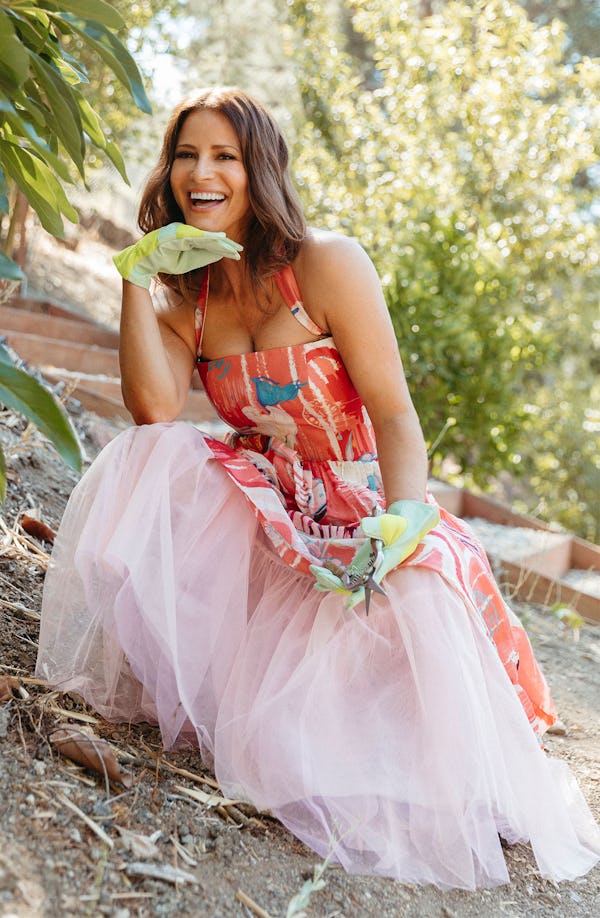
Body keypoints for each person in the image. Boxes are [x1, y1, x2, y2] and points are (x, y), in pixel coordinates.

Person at [36, 87, 600, 889]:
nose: (203, 172)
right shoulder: (183, 299)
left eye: (224, 155)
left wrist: (406, 519)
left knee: (414, 614)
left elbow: (396, 413)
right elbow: (153, 410)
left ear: (258, 169)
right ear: (168, 173)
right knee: (153, 452)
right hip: (268, 505)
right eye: (187, 155)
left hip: (364, 503)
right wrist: (134, 277)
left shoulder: (328, 264)